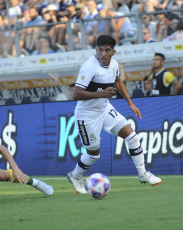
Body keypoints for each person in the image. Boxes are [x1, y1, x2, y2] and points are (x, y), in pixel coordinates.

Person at [67, 35, 162, 194]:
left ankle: (143, 174)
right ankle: (75, 175)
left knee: (132, 137)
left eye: (107, 50)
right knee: (93, 154)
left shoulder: (114, 64)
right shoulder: (89, 67)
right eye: (100, 50)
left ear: (113, 52)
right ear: (96, 50)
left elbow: (117, 81)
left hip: (104, 109)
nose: (103, 54)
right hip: (87, 115)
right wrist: (102, 94)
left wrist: (130, 103)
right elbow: (76, 94)